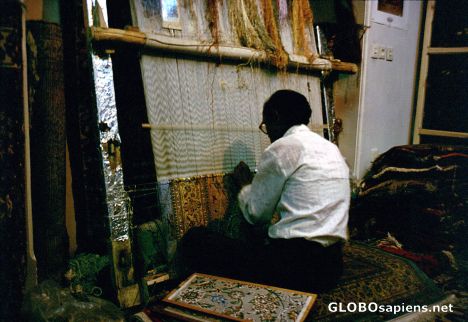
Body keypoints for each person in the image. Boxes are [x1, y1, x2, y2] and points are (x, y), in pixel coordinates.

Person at [179, 89, 350, 293]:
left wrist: (244, 185)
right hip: (332, 267)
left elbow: (256, 215)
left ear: (275, 117)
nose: (267, 131)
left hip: (295, 271)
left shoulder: (282, 148)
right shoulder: (331, 149)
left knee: (196, 239)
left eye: (265, 124)